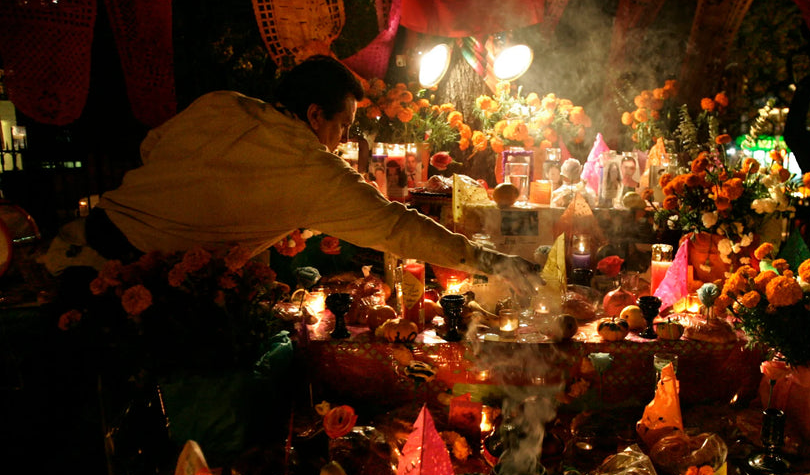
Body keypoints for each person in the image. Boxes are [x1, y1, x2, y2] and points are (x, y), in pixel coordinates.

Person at [83, 55, 541, 295]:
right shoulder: (311, 168)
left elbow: (151, 147)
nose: (340, 140)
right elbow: (395, 228)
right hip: (131, 273)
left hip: (90, 231)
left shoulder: (221, 103)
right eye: (341, 127)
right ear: (314, 114)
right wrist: (490, 261)